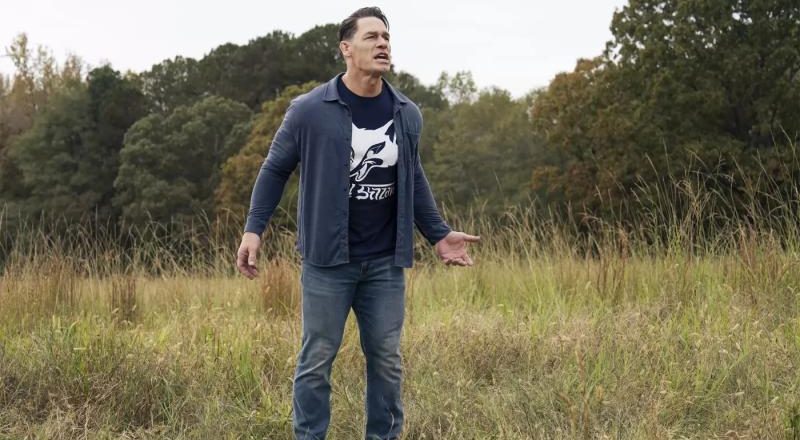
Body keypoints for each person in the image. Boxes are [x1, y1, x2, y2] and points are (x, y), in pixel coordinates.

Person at [236, 6, 480, 439]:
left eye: (386, 37)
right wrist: (254, 228)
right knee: (316, 360)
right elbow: (274, 169)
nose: (382, 43)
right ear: (346, 49)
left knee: (386, 360)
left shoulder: (406, 112)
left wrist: (439, 234)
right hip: (328, 262)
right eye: (371, 37)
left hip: (385, 262)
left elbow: (413, 176)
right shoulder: (309, 110)